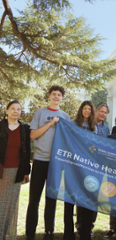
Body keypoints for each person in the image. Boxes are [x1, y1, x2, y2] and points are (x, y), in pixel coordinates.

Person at [26, 86, 70, 240]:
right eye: (54, 94)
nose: (56, 97)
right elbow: (33, 135)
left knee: (51, 199)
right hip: (39, 160)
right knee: (34, 199)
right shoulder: (40, 113)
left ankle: (49, 231)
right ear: (49, 96)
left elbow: (68, 140)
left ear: (62, 98)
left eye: (59, 95)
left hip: (56, 163)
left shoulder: (66, 116)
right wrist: (51, 123)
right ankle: (30, 232)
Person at [75, 102, 110, 238]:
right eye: (101, 111)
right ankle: (80, 225)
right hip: (84, 163)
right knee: (82, 194)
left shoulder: (106, 128)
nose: (102, 114)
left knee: (94, 195)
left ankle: (90, 225)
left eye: (105, 112)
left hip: (98, 166)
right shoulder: (90, 124)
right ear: (96, 111)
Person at [64, 100, 97, 240]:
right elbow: (67, 140)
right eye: (85, 108)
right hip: (73, 166)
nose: (87, 111)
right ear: (81, 110)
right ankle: (68, 233)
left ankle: (85, 232)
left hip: (88, 167)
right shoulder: (72, 123)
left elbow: (95, 146)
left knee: (87, 199)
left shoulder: (94, 127)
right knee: (69, 200)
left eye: (89, 109)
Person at [0, 101, 31, 240]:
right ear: (6, 111)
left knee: (11, 206)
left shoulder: (24, 129)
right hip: (1, 171)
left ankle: (8, 235)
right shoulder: (0, 126)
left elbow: (26, 151)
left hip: (15, 171)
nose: (16, 111)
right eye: (13, 109)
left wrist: (26, 171)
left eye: (18, 109)